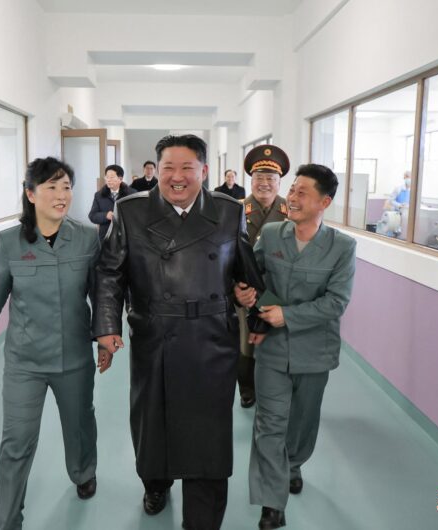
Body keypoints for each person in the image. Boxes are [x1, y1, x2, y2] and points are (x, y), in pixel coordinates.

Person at [92, 134, 266, 530]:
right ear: (156, 171)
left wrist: (247, 294)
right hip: (156, 335)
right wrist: (106, 326)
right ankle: (156, 482)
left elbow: (244, 268)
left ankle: (202, 520)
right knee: (153, 424)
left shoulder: (228, 211)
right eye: (168, 167)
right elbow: (109, 273)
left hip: (212, 338)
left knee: (208, 436)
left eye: (187, 168)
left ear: (204, 171)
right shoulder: (131, 210)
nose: (177, 177)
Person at [0, 157, 106, 530]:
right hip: (25, 361)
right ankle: (9, 521)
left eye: (66, 187)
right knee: (16, 442)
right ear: (30, 194)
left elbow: (101, 294)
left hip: (74, 356)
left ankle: (83, 471)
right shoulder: (10, 242)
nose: (61, 195)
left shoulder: (87, 237)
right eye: (51, 187)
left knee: (80, 424)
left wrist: (105, 338)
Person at [236, 163, 356, 530]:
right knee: (269, 424)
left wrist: (287, 315)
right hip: (272, 350)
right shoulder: (272, 235)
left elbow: (336, 302)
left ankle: (293, 464)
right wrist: (243, 293)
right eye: (292, 190)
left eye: (303, 192)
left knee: (302, 424)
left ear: (325, 202)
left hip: (315, 352)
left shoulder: (342, 247)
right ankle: (271, 502)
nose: (292, 197)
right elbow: (252, 275)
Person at [236, 145, 290, 409]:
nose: (264, 184)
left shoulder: (291, 211)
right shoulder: (236, 209)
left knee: (276, 342)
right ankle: (247, 390)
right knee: (245, 343)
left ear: (279, 183)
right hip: (244, 289)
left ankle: (274, 390)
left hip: (279, 289)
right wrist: (236, 287)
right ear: (251, 180)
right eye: (259, 178)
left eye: (270, 178)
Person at [88, 164, 133, 241]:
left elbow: (138, 215)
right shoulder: (99, 195)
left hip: (127, 237)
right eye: (107, 177)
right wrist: (106, 215)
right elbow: (92, 216)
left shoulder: (131, 194)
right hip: (106, 238)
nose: (108, 180)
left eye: (112, 177)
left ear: (120, 179)